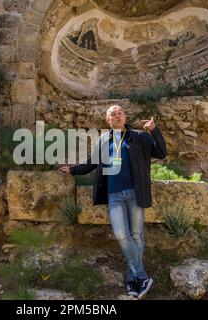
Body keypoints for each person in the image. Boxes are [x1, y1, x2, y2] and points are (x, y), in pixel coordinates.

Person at [59, 105, 167, 299]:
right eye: (112, 115)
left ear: (125, 116)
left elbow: (161, 152)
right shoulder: (103, 139)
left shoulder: (139, 137)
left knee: (136, 235)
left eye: (119, 113)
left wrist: (153, 130)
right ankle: (142, 276)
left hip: (135, 192)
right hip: (114, 194)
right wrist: (73, 170)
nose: (116, 116)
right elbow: (93, 162)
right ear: (108, 120)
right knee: (122, 235)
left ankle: (133, 281)